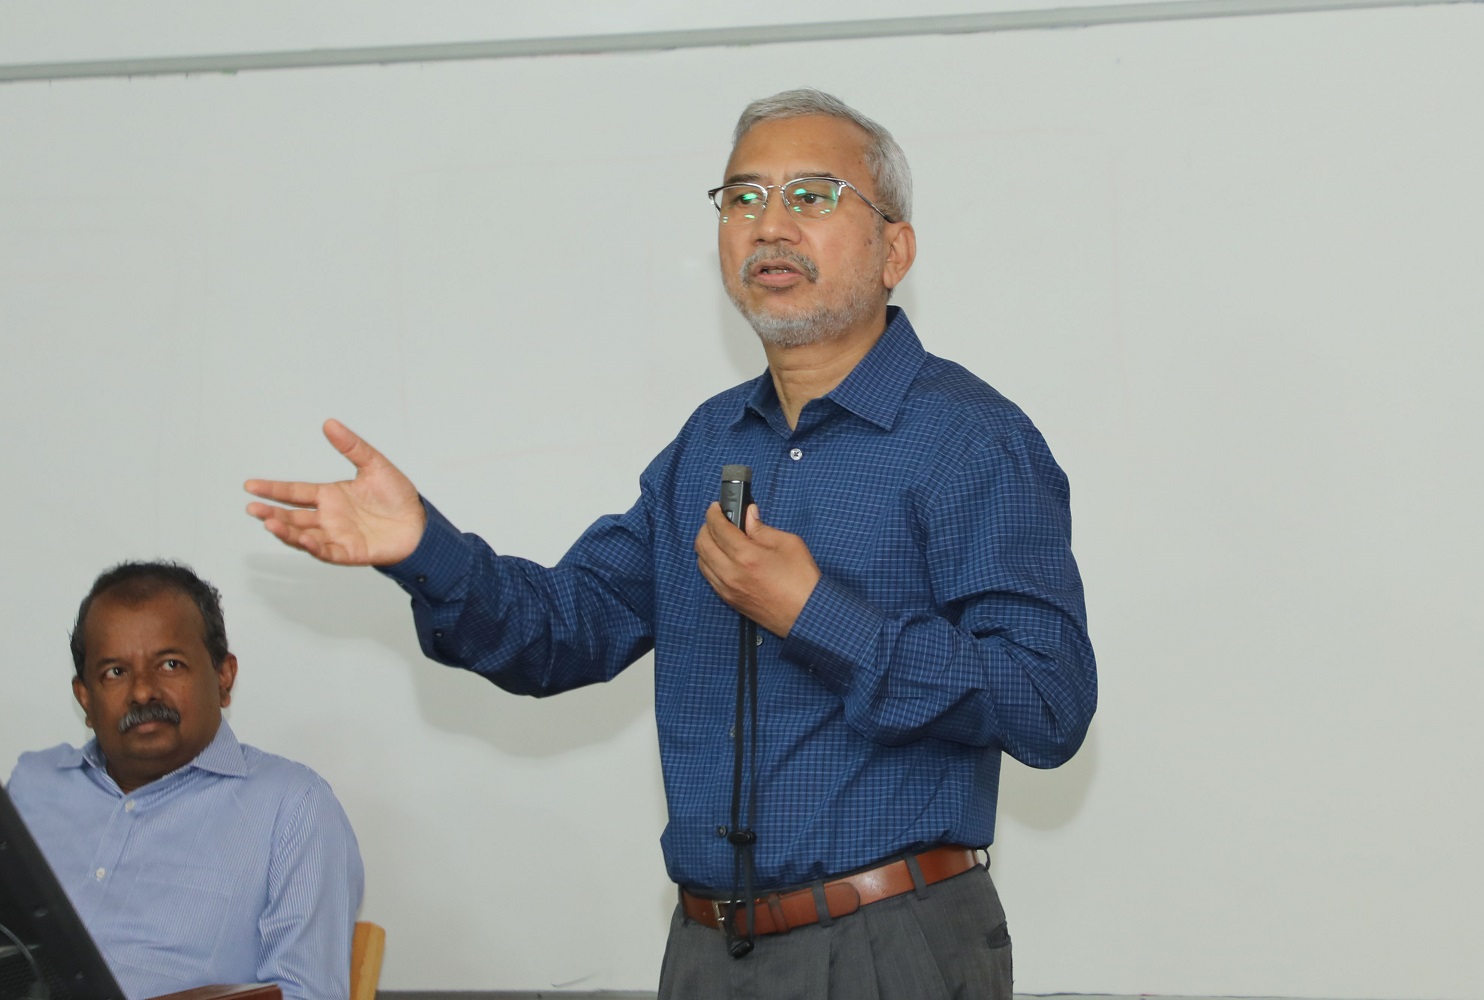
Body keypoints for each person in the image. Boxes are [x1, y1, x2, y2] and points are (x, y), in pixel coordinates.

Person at [245, 88, 1095, 999]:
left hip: (890, 949)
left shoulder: (971, 440)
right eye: (743, 198)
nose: (770, 225)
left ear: (895, 249)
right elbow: (561, 630)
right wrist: (422, 545)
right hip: (704, 952)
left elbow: (1047, 702)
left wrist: (819, 615)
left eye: (811, 197)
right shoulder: (707, 446)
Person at [5, 562, 363, 1000]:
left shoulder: (292, 807)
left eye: (169, 664)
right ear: (85, 697)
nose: (142, 692)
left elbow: (307, 995)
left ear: (223, 677)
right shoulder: (33, 787)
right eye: (115, 672)